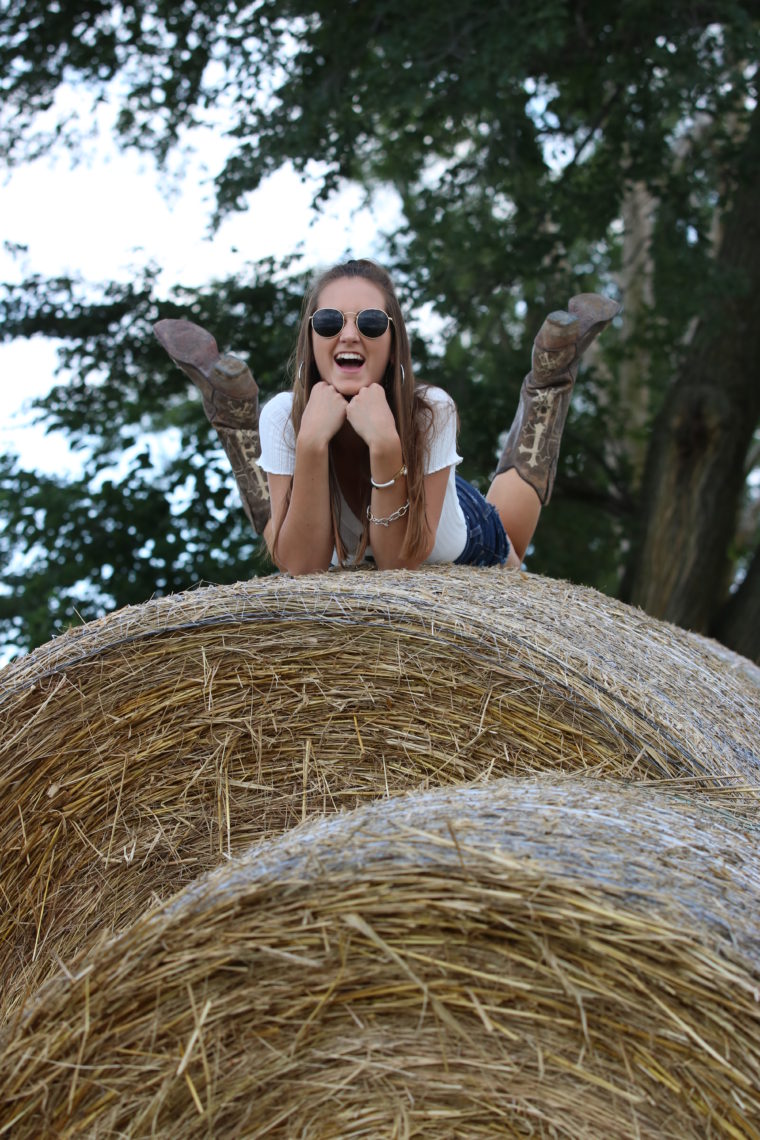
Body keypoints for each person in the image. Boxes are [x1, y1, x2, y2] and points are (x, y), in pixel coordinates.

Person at [154, 258, 619, 574]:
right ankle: (237, 418)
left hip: (452, 533)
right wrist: (313, 444)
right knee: (284, 524)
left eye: (371, 323)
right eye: (329, 322)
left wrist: (385, 445)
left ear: (393, 340)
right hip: (348, 491)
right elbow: (301, 566)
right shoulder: (284, 417)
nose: (349, 335)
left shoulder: (429, 411)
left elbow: (399, 567)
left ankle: (548, 382)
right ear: (311, 339)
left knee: (513, 546)